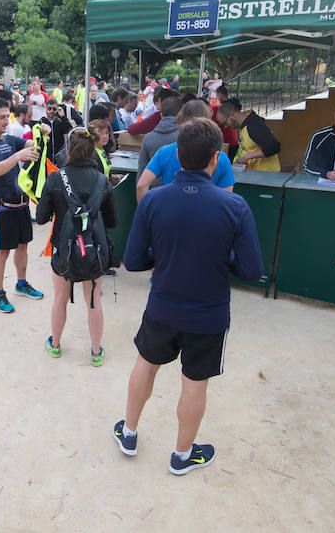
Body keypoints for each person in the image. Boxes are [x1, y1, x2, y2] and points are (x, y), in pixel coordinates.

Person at [114, 117, 263, 474]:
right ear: (216, 158)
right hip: (208, 315)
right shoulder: (235, 207)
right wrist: (219, 259)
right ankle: (182, 456)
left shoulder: (152, 202)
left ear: (178, 156)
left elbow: (133, 261)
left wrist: (163, 258)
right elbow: (250, 270)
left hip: (163, 305)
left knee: (145, 364)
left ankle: (129, 432)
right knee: (195, 382)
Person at [36, 129, 117, 365]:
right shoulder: (102, 181)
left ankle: (55, 344)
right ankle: (95, 351)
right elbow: (112, 221)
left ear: (68, 150)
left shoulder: (54, 179)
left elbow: (41, 218)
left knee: (60, 299)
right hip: (94, 250)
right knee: (93, 300)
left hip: (64, 250)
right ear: (92, 149)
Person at [0, 97, 45, 313]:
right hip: (0, 207)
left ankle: (21, 284)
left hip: (21, 204)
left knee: (23, 246)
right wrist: (18, 156)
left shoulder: (11, 139)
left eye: (8, 117)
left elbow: (34, 143)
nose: (6, 121)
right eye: (2, 117)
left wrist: (42, 130)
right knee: (2, 252)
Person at [136, 100, 236, 199]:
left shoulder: (165, 152)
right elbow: (227, 196)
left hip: (169, 211)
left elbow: (141, 185)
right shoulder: (220, 157)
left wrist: (147, 211)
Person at [217, 101, 281, 172]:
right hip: (254, 172)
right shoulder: (241, 126)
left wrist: (247, 156)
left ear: (233, 115)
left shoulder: (254, 126)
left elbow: (274, 147)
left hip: (267, 174)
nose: (225, 127)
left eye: (225, 122)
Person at [137, 95, 182, 179]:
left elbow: (141, 173)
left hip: (154, 188)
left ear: (161, 114)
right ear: (181, 114)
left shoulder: (148, 138)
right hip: (180, 188)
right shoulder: (185, 137)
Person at [40, 98, 73, 163]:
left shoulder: (59, 121)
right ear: (46, 108)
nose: (51, 111)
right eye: (49, 108)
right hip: (45, 158)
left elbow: (69, 130)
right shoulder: (41, 122)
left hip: (58, 157)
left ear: (57, 109)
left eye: (54, 109)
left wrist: (63, 116)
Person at [210, 85, 239, 158]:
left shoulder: (215, 108)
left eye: (217, 95)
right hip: (234, 141)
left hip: (223, 143)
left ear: (221, 95)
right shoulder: (233, 106)